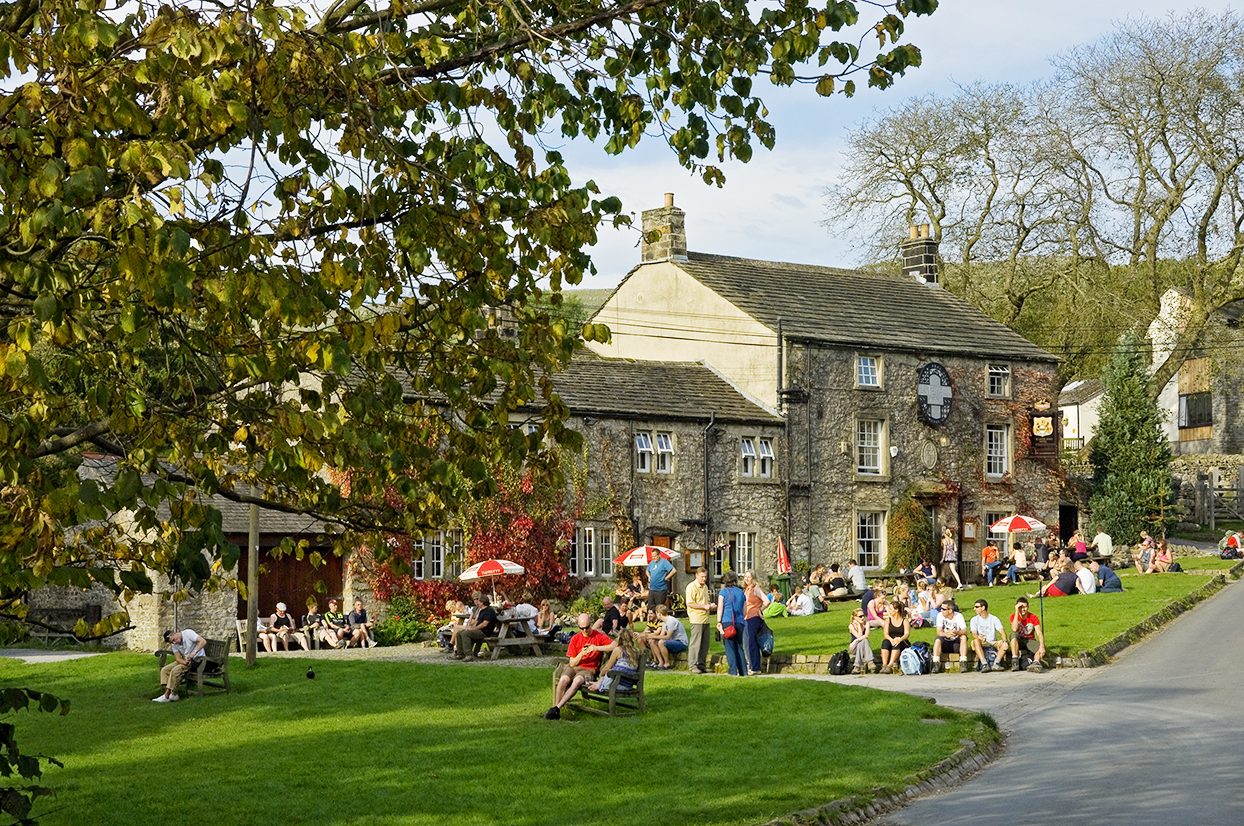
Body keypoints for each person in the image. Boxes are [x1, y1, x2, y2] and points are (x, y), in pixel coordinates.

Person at [546, 613, 613, 719]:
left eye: (587, 627)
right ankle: (556, 709)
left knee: (577, 681)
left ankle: (556, 708)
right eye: (582, 628)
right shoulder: (575, 639)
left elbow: (614, 645)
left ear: (591, 624)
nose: (585, 630)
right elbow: (572, 663)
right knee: (563, 679)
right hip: (574, 666)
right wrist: (582, 654)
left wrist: (596, 648)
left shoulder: (598, 636)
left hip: (589, 669)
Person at [154, 628, 206, 702]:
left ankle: (167, 695)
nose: (174, 642)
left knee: (175, 670)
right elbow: (178, 658)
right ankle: (172, 693)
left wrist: (194, 652)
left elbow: (203, 641)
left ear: (175, 633)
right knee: (165, 670)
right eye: (172, 642)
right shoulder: (175, 644)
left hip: (197, 660)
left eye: (174, 640)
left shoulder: (188, 633)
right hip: (187, 660)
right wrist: (185, 662)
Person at [585, 628, 643, 692]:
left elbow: (607, 667)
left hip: (617, 684)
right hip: (628, 684)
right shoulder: (636, 652)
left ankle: (599, 685)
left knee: (609, 671)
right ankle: (598, 683)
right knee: (614, 670)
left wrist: (601, 674)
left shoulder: (618, 650)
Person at [716, 570, 747, 676]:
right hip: (740, 621)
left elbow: (720, 608)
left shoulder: (723, 592)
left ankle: (733, 671)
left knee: (729, 647)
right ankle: (744, 671)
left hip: (727, 621)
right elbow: (745, 610)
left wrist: (718, 621)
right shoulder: (741, 592)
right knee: (739, 646)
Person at [684, 567, 712, 674]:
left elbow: (706, 601)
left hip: (706, 618)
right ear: (697, 576)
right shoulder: (691, 587)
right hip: (696, 618)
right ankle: (692, 665)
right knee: (695, 643)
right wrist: (704, 606)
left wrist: (709, 605)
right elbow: (690, 603)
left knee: (704, 643)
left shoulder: (705, 587)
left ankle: (702, 665)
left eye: (705, 577)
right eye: (702, 577)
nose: (704, 579)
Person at [454, 594, 499, 660]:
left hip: (484, 632)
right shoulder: (481, 610)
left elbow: (484, 624)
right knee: (459, 633)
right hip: (479, 630)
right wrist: (471, 627)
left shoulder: (489, 610)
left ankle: (468, 655)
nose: (478, 603)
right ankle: (460, 654)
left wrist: (475, 628)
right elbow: (477, 621)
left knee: (465, 634)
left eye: (479, 601)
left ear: (482, 602)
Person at [644, 604, 688, 669]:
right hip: (672, 641)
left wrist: (651, 636)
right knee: (654, 641)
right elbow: (661, 635)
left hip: (681, 643)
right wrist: (650, 637)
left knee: (662, 642)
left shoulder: (671, 621)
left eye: (656, 613)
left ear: (659, 614)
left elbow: (667, 636)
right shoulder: (664, 622)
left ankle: (667, 664)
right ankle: (659, 662)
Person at [1009, 596, 1046, 671]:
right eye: (1020, 607)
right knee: (1013, 635)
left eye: (1025, 607)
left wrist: (1042, 645)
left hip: (1029, 640)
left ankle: (1036, 662)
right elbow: (1014, 628)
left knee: (1040, 648)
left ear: (1028, 607)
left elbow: (1039, 632)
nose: (1023, 609)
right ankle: (1015, 660)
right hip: (1019, 640)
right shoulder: (1013, 616)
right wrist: (1016, 612)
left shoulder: (1033, 617)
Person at [741, 569, 768, 675]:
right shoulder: (748, 589)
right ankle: (753, 666)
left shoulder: (756, 588)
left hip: (753, 618)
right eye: (745, 577)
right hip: (747, 617)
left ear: (753, 578)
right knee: (749, 643)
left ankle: (754, 667)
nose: (747, 579)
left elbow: (766, 601)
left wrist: (760, 610)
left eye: (749, 577)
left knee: (750, 643)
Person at [969, 599, 1007, 672]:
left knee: (1003, 643)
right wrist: (978, 637)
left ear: (983, 608)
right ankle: (984, 664)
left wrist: (1005, 641)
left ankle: (996, 663)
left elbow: (1002, 632)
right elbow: (974, 634)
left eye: (977, 607)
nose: (974, 609)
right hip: (982, 641)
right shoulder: (974, 620)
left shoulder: (994, 619)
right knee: (976, 641)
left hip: (993, 641)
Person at [930, 601, 967, 672]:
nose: (941, 611)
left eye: (944, 609)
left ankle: (963, 662)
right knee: (938, 640)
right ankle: (936, 663)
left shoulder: (958, 616)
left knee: (964, 637)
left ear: (950, 610)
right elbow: (939, 631)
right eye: (941, 609)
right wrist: (946, 634)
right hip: (945, 642)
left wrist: (956, 632)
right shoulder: (940, 615)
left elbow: (965, 631)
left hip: (956, 642)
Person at [879, 601, 910, 674]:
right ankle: (884, 665)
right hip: (891, 639)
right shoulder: (888, 621)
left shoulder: (904, 621)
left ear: (896, 610)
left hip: (901, 640)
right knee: (885, 642)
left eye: (890, 609)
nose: (888, 611)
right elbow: (886, 633)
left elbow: (906, 634)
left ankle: (890, 665)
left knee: (897, 644)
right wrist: (891, 639)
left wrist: (899, 639)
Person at [848, 608, 873, 675]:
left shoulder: (866, 623)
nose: (862, 618)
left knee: (863, 641)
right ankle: (870, 661)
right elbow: (859, 636)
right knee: (862, 641)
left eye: (863, 616)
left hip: (860, 645)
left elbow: (866, 635)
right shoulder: (851, 626)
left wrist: (856, 640)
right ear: (855, 617)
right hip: (854, 647)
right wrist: (859, 625)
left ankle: (857, 666)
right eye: (860, 616)